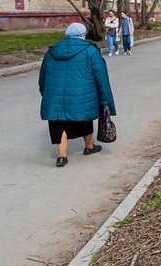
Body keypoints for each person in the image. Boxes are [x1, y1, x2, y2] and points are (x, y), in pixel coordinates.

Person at [39, 23, 116, 167]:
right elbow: (101, 76)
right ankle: (89, 147)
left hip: (54, 94)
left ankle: (62, 156)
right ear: (83, 35)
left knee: (58, 121)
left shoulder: (51, 52)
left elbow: (43, 75)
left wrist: (44, 92)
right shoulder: (90, 51)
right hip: (82, 93)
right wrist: (105, 98)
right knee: (84, 117)